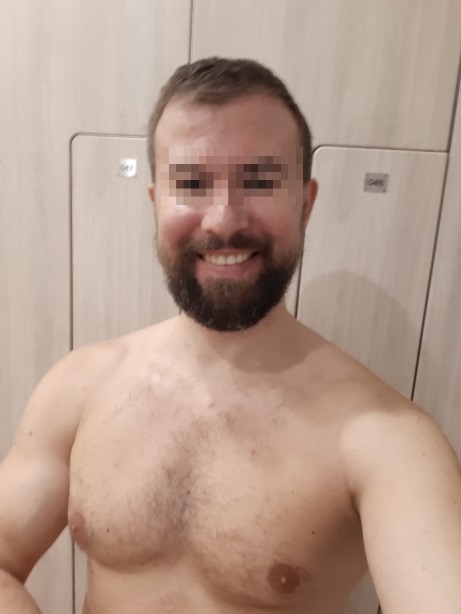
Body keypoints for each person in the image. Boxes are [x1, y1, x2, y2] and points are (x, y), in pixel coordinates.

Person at [1, 57, 460, 614]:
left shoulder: (387, 439)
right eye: (192, 183)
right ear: (156, 202)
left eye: (260, 181)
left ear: (305, 204)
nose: (223, 219)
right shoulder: (78, 388)